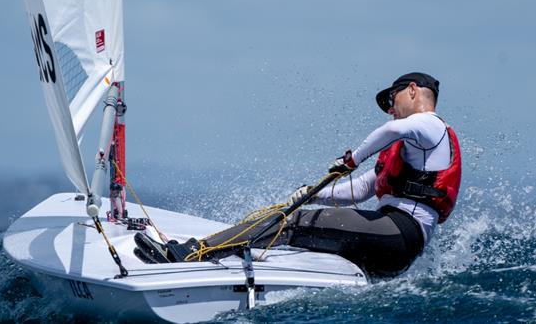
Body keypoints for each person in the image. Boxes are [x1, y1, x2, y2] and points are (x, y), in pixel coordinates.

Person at [135, 72, 462, 278]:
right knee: (299, 227)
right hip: (392, 241)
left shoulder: (430, 125)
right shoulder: (411, 146)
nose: (391, 108)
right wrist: (312, 193)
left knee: (290, 224)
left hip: (400, 232)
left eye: (393, 100)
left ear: (414, 91)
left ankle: (191, 253)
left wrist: (353, 158)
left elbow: (393, 128)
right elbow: (363, 188)